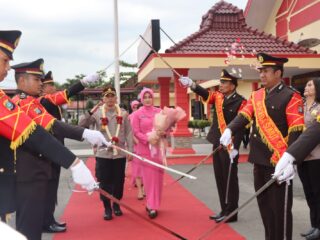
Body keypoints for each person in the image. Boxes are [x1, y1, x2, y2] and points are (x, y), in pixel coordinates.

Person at [0, 31, 99, 239]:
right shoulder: (21, 101)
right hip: (27, 172)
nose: (7, 68)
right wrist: (74, 162)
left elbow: (55, 106)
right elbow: (36, 129)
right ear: (24, 79)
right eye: (5, 61)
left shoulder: (24, 100)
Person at [220, 53, 304, 240]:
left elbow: (296, 130)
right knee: (265, 209)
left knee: (280, 211)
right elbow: (244, 115)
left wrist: (291, 158)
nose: (262, 75)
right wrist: (229, 129)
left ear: (278, 73)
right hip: (259, 160)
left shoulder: (291, 96)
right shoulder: (256, 95)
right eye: (261, 71)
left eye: (266, 71)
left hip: (279, 162)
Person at [179, 69, 247, 223]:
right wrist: (192, 85)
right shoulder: (218, 97)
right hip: (218, 142)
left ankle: (232, 212)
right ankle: (224, 209)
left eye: (224, 82)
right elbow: (205, 94)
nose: (221, 85)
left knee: (230, 180)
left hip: (230, 147)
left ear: (232, 85)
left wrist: (235, 147)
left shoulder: (241, 102)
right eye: (221, 82)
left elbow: (241, 126)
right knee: (220, 178)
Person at [40, 70, 99, 233]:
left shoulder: (50, 102)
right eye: (49, 85)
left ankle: (49, 219)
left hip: (54, 149)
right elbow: (67, 93)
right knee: (48, 187)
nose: (52, 87)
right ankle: (46, 221)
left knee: (52, 186)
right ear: (42, 88)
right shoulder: (44, 101)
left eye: (52, 84)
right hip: (48, 151)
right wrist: (84, 82)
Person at [79, 86, 133, 221]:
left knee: (118, 181)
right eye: (107, 96)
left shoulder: (124, 113)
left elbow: (129, 133)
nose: (109, 99)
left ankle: (116, 204)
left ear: (116, 98)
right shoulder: (97, 114)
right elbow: (81, 125)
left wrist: (130, 150)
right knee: (104, 181)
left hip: (119, 153)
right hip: (103, 154)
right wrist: (92, 111)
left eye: (112, 96)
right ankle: (107, 208)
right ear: (103, 99)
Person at [275, 78, 320, 240]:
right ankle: (314, 225)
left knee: (317, 193)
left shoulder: (319, 107)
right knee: (308, 192)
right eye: (306, 84)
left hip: (316, 156)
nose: (306, 87)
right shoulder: (300, 106)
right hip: (301, 157)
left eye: (310, 85)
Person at [131, 88, 164, 219]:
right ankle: (151, 205)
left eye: (149, 96)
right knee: (149, 180)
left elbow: (167, 127)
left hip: (158, 150)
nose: (147, 99)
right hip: (144, 150)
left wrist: (162, 133)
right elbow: (135, 131)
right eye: (144, 97)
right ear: (141, 99)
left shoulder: (159, 111)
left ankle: (155, 204)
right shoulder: (137, 114)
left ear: (153, 97)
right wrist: (147, 138)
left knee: (158, 179)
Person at [129, 100, 145, 200]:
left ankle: (145, 189)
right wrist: (136, 141)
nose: (136, 109)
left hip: (147, 146)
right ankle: (140, 190)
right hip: (136, 147)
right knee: (138, 170)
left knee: (147, 170)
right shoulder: (131, 117)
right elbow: (129, 132)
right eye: (134, 107)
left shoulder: (148, 117)